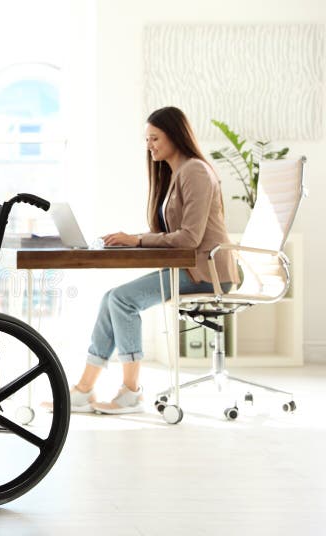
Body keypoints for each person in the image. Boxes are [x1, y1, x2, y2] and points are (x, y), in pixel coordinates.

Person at [70, 106, 239, 415]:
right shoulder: (177, 173)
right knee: (112, 298)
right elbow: (172, 234)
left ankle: (131, 393)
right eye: (147, 139)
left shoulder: (196, 171)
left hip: (208, 272)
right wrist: (129, 239)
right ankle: (83, 391)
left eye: (155, 138)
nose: (149, 146)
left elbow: (189, 238)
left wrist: (137, 240)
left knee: (122, 300)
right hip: (188, 268)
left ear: (175, 135)